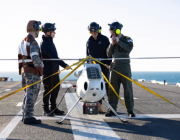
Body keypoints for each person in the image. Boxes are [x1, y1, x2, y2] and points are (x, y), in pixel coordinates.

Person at [40, 23, 71, 117]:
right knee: (48, 90)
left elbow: (55, 56)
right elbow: (53, 57)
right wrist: (64, 65)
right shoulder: (45, 43)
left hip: (54, 70)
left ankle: (53, 108)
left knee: (56, 89)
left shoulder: (50, 41)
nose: (55, 33)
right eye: (53, 31)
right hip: (48, 71)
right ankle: (46, 109)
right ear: (48, 32)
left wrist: (57, 68)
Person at [106, 21, 135, 117]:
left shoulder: (127, 39)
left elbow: (129, 49)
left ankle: (130, 110)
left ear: (118, 30)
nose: (111, 33)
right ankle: (112, 109)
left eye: (113, 31)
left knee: (128, 89)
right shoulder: (112, 41)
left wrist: (119, 41)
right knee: (112, 90)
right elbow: (108, 54)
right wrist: (112, 44)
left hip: (124, 68)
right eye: (111, 32)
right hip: (114, 68)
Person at [18, 20, 43, 124]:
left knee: (27, 94)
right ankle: (28, 117)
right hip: (32, 71)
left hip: (24, 70)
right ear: (35, 28)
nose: (39, 30)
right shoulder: (33, 41)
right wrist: (42, 65)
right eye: (38, 28)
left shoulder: (23, 41)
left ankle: (25, 115)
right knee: (32, 94)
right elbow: (35, 57)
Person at [86, 22, 111, 112]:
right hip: (94, 68)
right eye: (92, 32)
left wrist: (109, 63)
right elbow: (87, 54)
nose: (94, 33)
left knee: (106, 85)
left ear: (98, 30)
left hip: (104, 66)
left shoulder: (104, 39)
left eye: (95, 31)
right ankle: (99, 106)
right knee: (96, 86)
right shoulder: (89, 41)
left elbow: (109, 53)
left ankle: (110, 106)